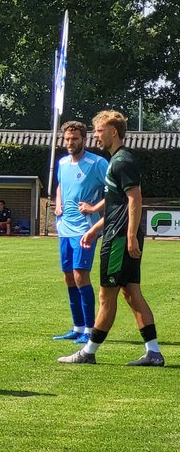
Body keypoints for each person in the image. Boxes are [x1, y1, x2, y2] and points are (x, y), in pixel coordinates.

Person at [60, 110, 163, 367]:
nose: (96, 136)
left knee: (107, 296)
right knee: (131, 293)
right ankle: (153, 352)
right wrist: (95, 229)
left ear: (113, 132)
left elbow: (134, 199)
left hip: (118, 239)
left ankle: (88, 351)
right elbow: (116, 205)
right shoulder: (116, 160)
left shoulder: (122, 161)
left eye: (99, 131)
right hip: (114, 233)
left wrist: (130, 237)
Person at [50, 120, 108, 344]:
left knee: (80, 275)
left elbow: (115, 191)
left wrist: (94, 208)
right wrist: (58, 203)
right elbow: (60, 186)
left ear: (84, 139)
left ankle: (90, 330)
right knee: (68, 277)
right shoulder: (63, 163)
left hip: (85, 229)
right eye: (67, 139)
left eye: (74, 139)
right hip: (65, 228)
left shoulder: (97, 163)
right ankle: (77, 327)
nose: (70, 143)